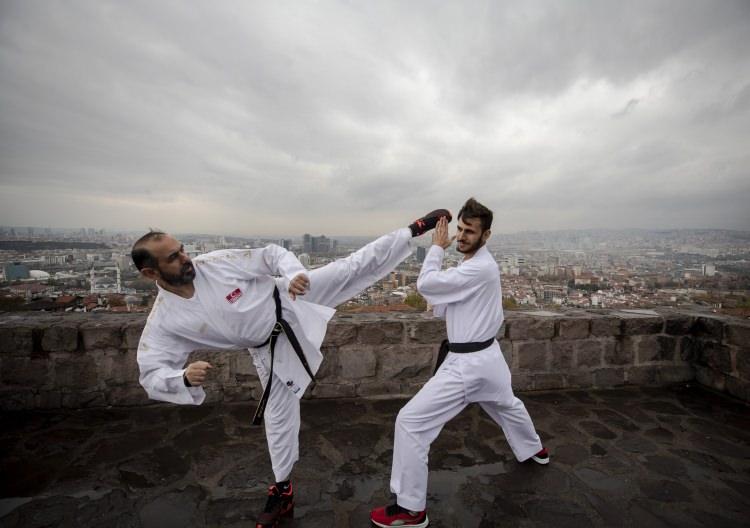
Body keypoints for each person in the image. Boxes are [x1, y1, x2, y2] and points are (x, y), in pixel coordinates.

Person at [131, 209, 451, 528]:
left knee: (350, 267)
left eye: (182, 249)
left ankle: (412, 231)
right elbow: (150, 372)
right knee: (278, 420)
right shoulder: (165, 320)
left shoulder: (213, 264)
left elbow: (270, 255)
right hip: (270, 348)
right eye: (173, 257)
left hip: (290, 298)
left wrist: (294, 274)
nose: (186, 258)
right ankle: (283, 490)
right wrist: (181, 378)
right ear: (150, 273)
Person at [370, 198, 548, 528]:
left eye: (470, 231)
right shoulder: (479, 265)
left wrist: (436, 248)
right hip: (489, 358)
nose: (462, 236)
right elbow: (456, 298)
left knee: (410, 422)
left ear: (487, 235)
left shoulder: (478, 267)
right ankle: (534, 449)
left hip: (467, 364)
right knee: (506, 404)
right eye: (460, 229)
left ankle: (411, 510)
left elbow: (426, 285)